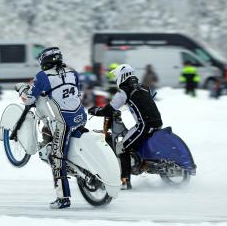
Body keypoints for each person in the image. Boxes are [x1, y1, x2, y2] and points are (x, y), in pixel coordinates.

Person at [15, 47, 87, 209]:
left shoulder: (43, 76)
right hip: (80, 116)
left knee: (56, 156)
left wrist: (21, 90)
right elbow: (77, 92)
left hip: (65, 121)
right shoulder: (72, 72)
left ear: (44, 60)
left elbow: (28, 100)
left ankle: (63, 198)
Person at [88, 64, 162, 190]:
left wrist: (97, 111)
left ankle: (125, 181)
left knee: (122, 147)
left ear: (121, 76)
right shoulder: (144, 87)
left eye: (116, 76)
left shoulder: (124, 90)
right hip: (157, 122)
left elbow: (110, 108)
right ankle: (141, 163)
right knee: (132, 142)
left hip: (144, 125)